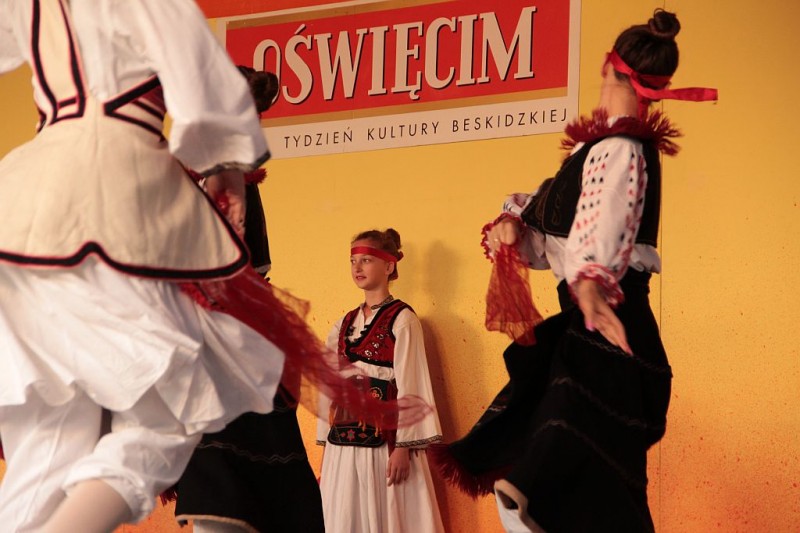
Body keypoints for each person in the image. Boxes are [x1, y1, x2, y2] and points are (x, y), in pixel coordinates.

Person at [0, 1, 409, 531]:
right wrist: (227, 172)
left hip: (22, 199)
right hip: (114, 192)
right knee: (164, 422)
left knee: (49, 436)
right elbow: (204, 84)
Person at [431, 9, 717, 533]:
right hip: (591, 316)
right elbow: (560, 233)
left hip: (610, 317)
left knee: (558, 448)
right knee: (591, 470)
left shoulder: (621, 150)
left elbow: (605, 221)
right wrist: (515, 229)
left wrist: (588, 280)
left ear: (610, 69)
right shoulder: (594, 151)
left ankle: (532, 501)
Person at [171, 66, 325, 533]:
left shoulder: (227, 180)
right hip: (214, 339)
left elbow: (245, 270)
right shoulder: (187, 174)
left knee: (234, 491)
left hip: (228, 342)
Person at [318, 229, 445, 533]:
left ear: (389, 265)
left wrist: (403, 447)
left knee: (389, 512)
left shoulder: (403, 320)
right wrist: (326, 450)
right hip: (343, 443)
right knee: (344, 513)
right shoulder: (342, 324)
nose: (357, 268)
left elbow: (412, 382)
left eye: (366, 260)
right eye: (353, 261)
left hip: (386, 442)